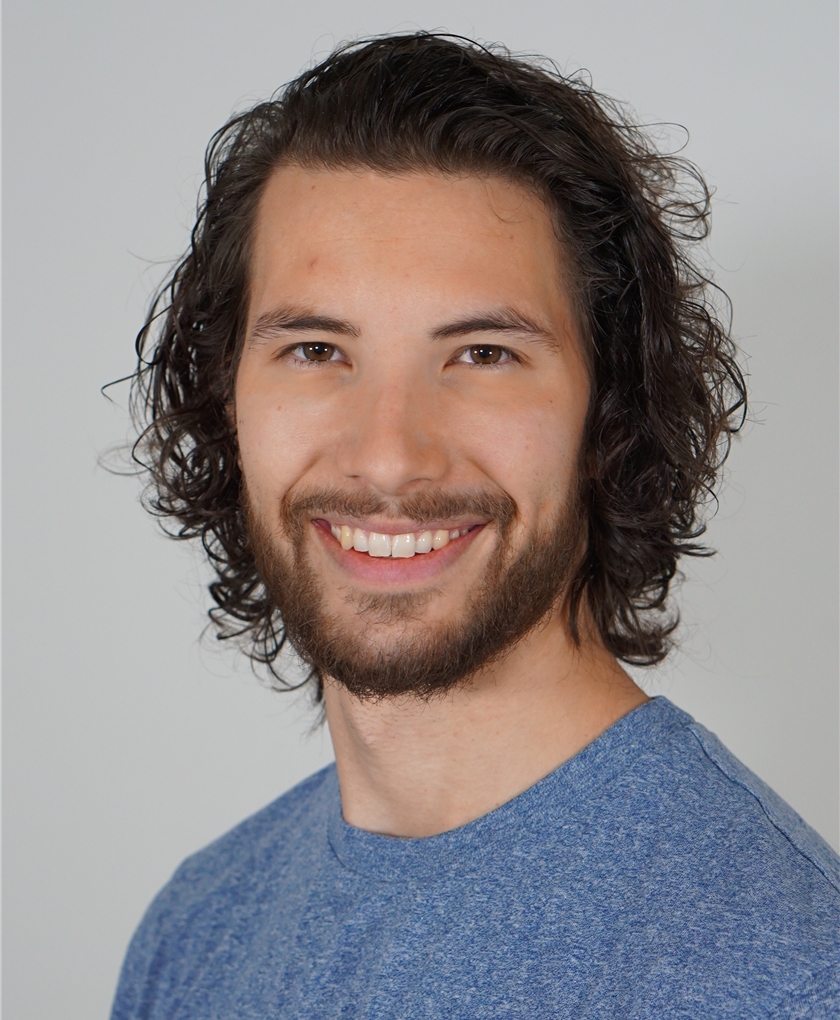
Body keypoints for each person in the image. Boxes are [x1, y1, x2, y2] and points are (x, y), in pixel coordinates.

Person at [110, 32, 839, 1019]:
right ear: (226, 397)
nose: (389, 456)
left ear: (608, 411)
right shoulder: (199, 929)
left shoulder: (781, 968)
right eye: (317, 349)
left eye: (483, 354)